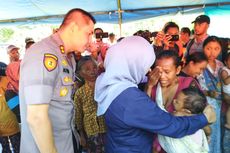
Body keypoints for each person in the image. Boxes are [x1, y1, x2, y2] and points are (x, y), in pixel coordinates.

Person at [94, 36, 216, 153]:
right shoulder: (130, 98)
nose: (147, 70)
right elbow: (171, 126)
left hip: (117, 146)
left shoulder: (111, 85)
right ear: (133, 63)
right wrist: (204, 118)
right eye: (144, 64)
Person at [19, 8, 96, 153]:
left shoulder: (68, 57)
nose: (90, 40)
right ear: (73, 27)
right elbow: (36, 117)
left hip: (65, 140)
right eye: (89, 33)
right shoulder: (43, 54)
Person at [157, 87, 209, 153]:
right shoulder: (197, 124)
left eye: (177, 102)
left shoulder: (179, 124)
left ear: (186, 112)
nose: (174, 101)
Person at [197, 36, 223, 153]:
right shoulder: (200, 64)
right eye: (209, 48)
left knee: (218, 133)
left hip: (221, 105)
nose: (212, 52)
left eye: (216, 48)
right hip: (205, 105)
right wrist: (207, 92)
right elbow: (195, 86)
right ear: (203, 48)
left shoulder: (221, 65)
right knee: (207, 133)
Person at [74, 56, 106, 153]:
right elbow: (78, 116)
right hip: (91, 133)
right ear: (80, 73)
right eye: (87, 69)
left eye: (94, 67)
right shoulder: (80, 93)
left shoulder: (105, 86)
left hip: (107, 128)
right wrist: (82, 135)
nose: (92, 71)